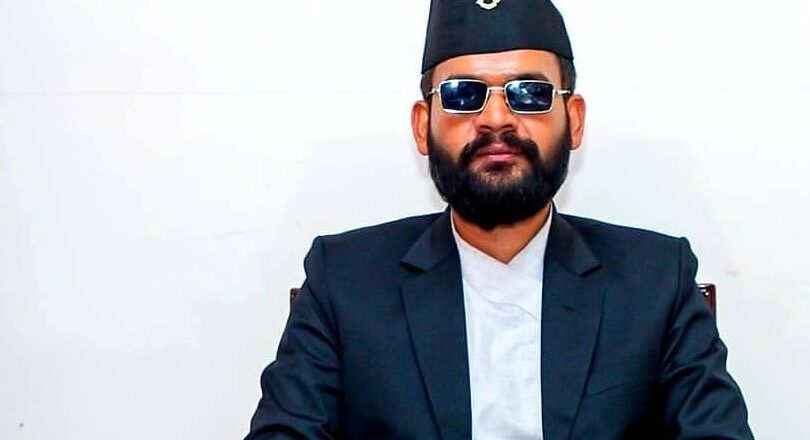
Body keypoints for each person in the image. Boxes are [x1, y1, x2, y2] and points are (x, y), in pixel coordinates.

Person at [246, 1, 752, 439]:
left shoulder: (656, 279)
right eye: (462, 95)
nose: (495, 119)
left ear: (574, 120)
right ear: (423, 126)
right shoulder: (345, 280)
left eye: (528, 93)